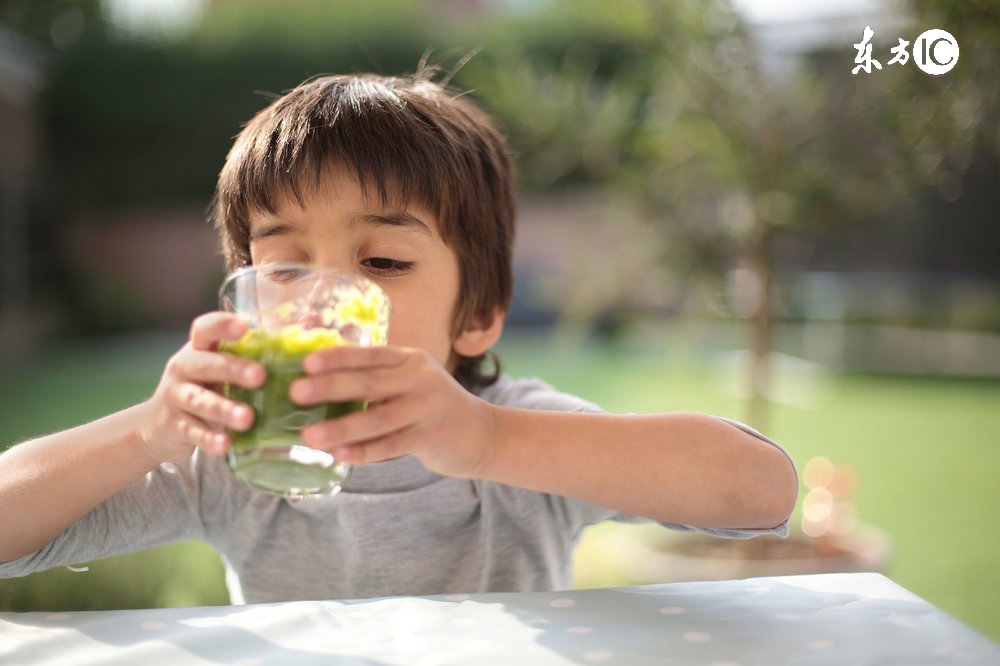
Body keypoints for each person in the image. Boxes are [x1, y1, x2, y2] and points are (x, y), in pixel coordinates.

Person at [0, 72, 797, 604]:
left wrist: (488, 440)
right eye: (282, 269)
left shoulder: (517, 439)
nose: (321, 300)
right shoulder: (237, 459)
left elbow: (760, 491)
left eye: (381, 262)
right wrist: (148, 431)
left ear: (477, 314)